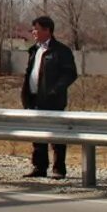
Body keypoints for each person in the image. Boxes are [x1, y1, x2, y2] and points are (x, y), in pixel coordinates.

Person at [20, 15, 78, 179]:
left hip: (53, 100)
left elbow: (70, 74)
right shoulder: (35, 50)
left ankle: (59, 169)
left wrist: (56, 89)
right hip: (34, 98)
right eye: (33, 29)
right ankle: (39, 167)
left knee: (56, 135)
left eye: (36, 29)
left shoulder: (61, 51)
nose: (33, 32)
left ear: (47, 30)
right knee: (37, 135)